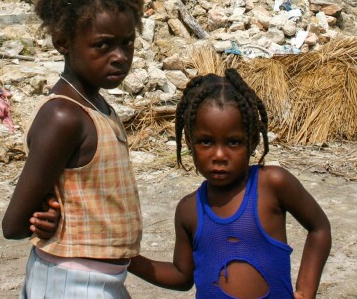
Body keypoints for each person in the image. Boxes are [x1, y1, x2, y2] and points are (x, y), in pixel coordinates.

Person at [2, 0, 144, 298]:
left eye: (127, 43)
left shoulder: (96, 106)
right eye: (103, 45)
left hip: (99, 281)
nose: (120, 56)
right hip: (71, 283)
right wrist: (42, 218)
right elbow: (14, 224)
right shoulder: (64, 116)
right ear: (63, 42)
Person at [129, 69, 331, 299]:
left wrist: (305, 291)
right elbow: (182, 276)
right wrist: (130, 261)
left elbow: (319, 229)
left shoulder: (272, 184)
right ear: (189, 142)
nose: (219, 155)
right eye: (206, 142)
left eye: (233, 142)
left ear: (252, 140)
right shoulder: (188, 210)